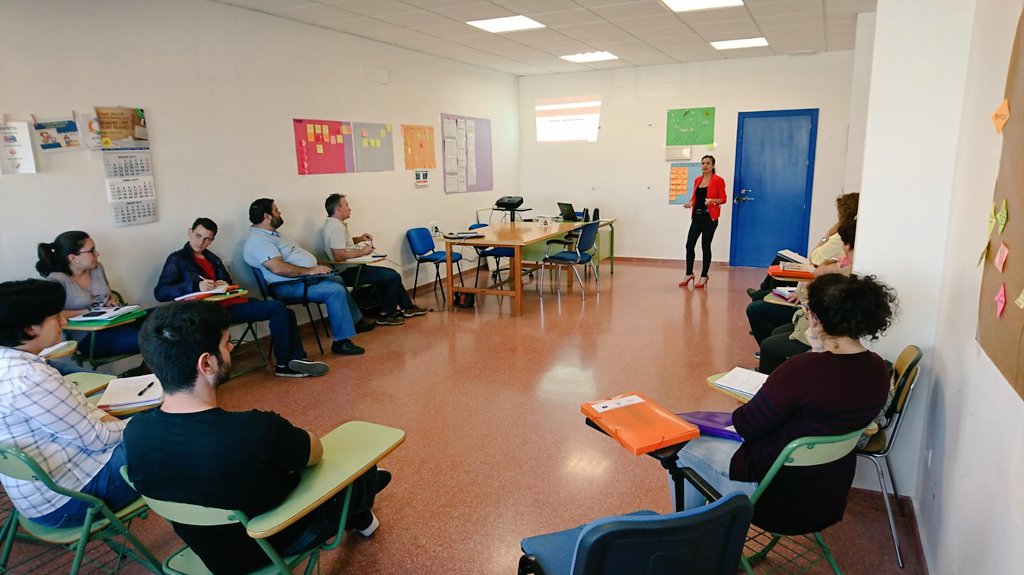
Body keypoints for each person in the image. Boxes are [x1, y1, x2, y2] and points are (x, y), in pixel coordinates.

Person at [124, 302, 391, 575]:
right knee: (357, 465)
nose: (231, 349)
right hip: (275, 541)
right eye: (226, 344)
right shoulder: (254, 429)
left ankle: (363, 497)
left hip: (212, 555)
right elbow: (315, 452)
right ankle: (362, 498)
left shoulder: (135, 432)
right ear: (206, 363)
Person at [674, 273, 897, 535]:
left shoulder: (801, 369)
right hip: (828, 494)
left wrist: (811, 358)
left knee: (682, 448)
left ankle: (685, 537)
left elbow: (746, 425)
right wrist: (818, 351)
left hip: (777, 497)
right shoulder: (878, 368)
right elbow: (828, 396)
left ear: (814, 318)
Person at [0, 279, 138, 528]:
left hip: (39, 494)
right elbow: (100, 439)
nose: (63, 323)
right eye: (55, 317)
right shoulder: (30, 377)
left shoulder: (9, 363)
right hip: (73, 500)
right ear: (31, 328)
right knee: (170, 432)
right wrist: (141, 421)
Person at [154, 217, 329, 378]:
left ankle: (296, 359)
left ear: (212, 240)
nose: (201, 242)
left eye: (207, 239)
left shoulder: (212, 258)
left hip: (228, 304)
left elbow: (230, 284)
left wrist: (224, 284)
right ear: (190, 232)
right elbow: (161, 292)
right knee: (277, 308)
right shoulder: (177, 259)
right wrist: (194, 286)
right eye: (198, 236)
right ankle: (284, 365)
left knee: (286, 312)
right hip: (208, 312)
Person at [243, 198, 373, 356]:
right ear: (267, 216)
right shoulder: (258, 241)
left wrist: (315, 268)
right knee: (335, 291)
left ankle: (355, 322)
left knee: (337, 279)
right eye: (276, 210)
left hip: (299, 279)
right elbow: (278, 268)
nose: (280, 212)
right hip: (287, 286)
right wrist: (310, 270)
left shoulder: (273, 235)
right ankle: (341, 341)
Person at [751, 218, 858, 372]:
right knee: (773, 326)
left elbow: (816, 261)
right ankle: (780, 371)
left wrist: (827, 265)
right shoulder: (844, 264)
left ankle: (772, 375)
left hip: (817, 321)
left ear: (848, 245)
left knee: (767, 334)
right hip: (809, 311)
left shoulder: (845, 270)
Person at [321, 193, 427, 326]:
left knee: (392, 274)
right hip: (349, 272)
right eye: (347, 205)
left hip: (351, 268)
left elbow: (341, 244)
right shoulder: (337, 227)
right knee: (393, 276)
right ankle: (386, 315)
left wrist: (359, 239)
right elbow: (339, 255)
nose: (350, 208)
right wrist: (362, 252)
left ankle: (408, 308)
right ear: (338, 209)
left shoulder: (332, 225)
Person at [36, 231, 140, 358]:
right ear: (73, 258)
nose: (97, 254)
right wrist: (90, 310)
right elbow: (53, 315)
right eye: (92, 250)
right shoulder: (57, 280)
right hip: (87, 337)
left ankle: (142, 371)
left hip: (113, 324)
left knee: (160, 318)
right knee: (152, 339)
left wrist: (110, 301)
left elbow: (108, 292)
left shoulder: (97, 268)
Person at [747, 192, 860, 300]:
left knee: (781, 259)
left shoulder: (840, 236)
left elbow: (815, 257)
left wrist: (827, 235)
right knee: (781, 257)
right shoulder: (845, 233)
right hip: (817, 269)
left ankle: (763, 293)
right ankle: (764, 292)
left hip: (814, 273)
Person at [679, 155, 727, 288]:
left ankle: (704, 275)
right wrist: (690, 203)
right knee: (689, 245)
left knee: (705, 246)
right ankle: (689, 273)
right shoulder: (697, 180)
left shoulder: (718, 180)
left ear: (712, 166)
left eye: (707, 163)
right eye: (703, 163)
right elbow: (695, 198)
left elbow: (723, 199)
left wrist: (712, 201)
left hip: (709, 218)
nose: (704, 165)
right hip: (697, 217)